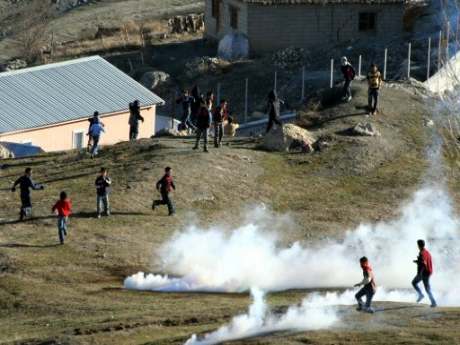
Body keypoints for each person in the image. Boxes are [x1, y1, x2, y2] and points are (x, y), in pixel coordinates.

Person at [412, 239, 437, 307]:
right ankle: (421, 295)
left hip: (424, 273)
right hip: (427, 271)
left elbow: (423, 262)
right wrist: (418, 261)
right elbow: (423, 261)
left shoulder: (422, 252)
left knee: (427, 288)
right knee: (414, 282)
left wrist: (418, 263)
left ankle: (433, 302)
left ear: (418, 245)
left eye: (417, 245)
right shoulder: (426, 252)